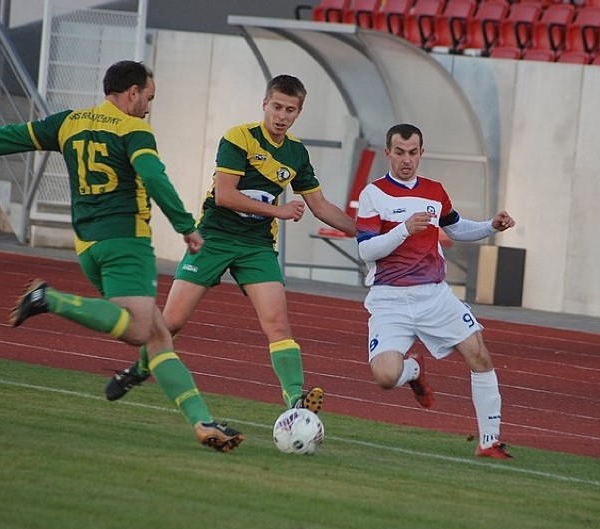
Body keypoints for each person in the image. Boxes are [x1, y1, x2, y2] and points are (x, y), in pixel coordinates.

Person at [0, 60, 243, 453]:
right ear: (132, 93)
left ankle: (201, 421)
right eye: (148, 98)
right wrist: (185, 225)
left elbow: (9, 137)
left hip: (88, 248)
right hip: (127, 243)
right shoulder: (134, 130)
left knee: (157, 334)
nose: (148, 106)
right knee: (136, 331)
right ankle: (48, 297)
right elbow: (154, 176)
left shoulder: (69, 122)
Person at [105, 74, 356, 414]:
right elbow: (225, 195)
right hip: (214, 238)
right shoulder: (240, 137)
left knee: (278, 323)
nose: (281, 116)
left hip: (256, 246)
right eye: (277, 107)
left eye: (290, 110)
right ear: (264, 104)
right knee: (173, 321)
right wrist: (277, 210)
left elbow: (321, 206)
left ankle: (296, 400)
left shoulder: (296, 153)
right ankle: (137, 370)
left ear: (299, 112)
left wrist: (366, 233)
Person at [356, 123, 516, 460]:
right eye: (399, 152)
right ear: (388, 153)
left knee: (479, 353)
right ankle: (412, 369)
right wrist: (403, 229)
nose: (406, 160)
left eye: (413, 153)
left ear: (421, 153)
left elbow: (456, 228)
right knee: (385, 376)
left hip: (434, 295)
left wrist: (491, 226)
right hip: (389, 299)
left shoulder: (434, 190)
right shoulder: (374, 194)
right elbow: (366, 251)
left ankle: (489, 441)